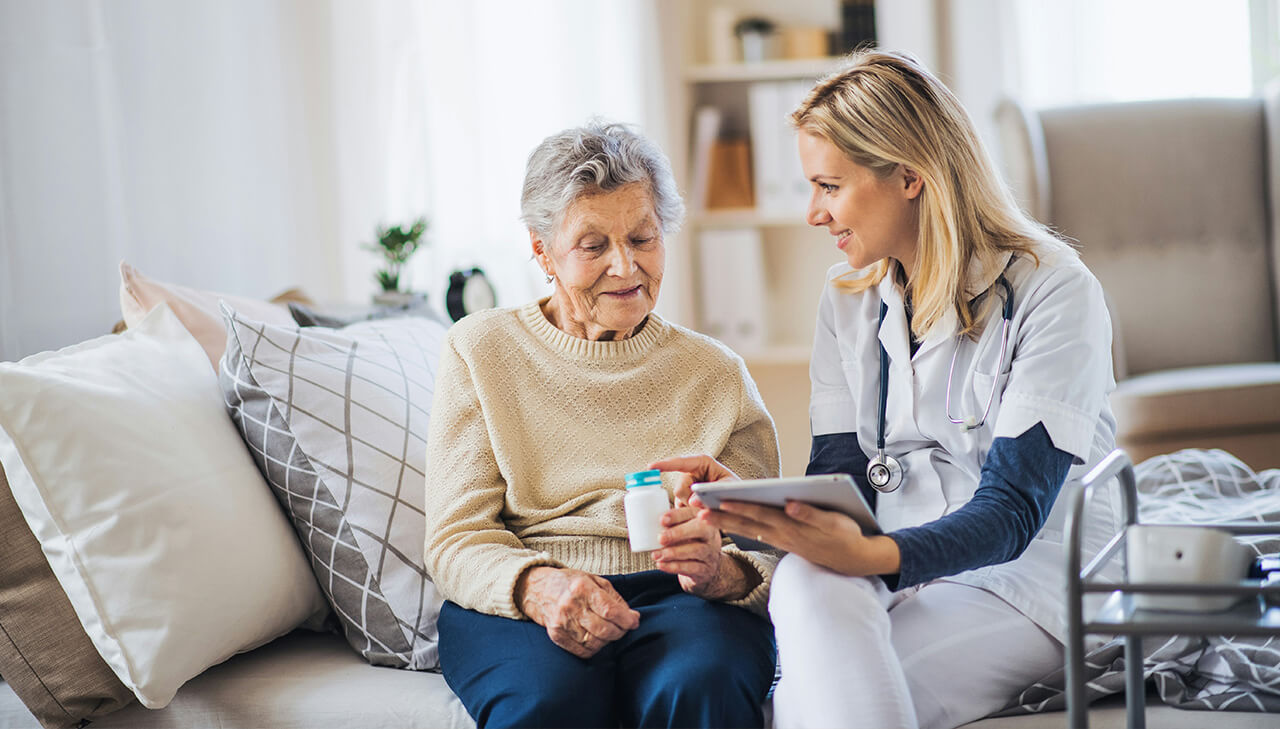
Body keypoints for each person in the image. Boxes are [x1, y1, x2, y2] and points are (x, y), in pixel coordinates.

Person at [652, 51, 1121, 729]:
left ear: (908, 176)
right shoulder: (846, 299)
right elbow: (842, 481)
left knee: (811, 704)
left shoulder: (1054, 290)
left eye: (828, 185)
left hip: (1026, 581)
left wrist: (871, 556)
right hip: (901, 570)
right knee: (808, 578)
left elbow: (1014, 511)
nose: (814, 213)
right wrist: (763, 510)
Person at [422, 121, 780, 729]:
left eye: (643, 237)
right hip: (528, 589)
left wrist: (723, 570)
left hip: (681, 596)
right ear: (541, 249)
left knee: (701, 688)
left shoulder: (715, 373)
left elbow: (769, 550)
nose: (626, 266)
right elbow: (457, 538)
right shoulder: (480, 350)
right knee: (546, 704)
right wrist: (539, 587)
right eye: (593, 246)